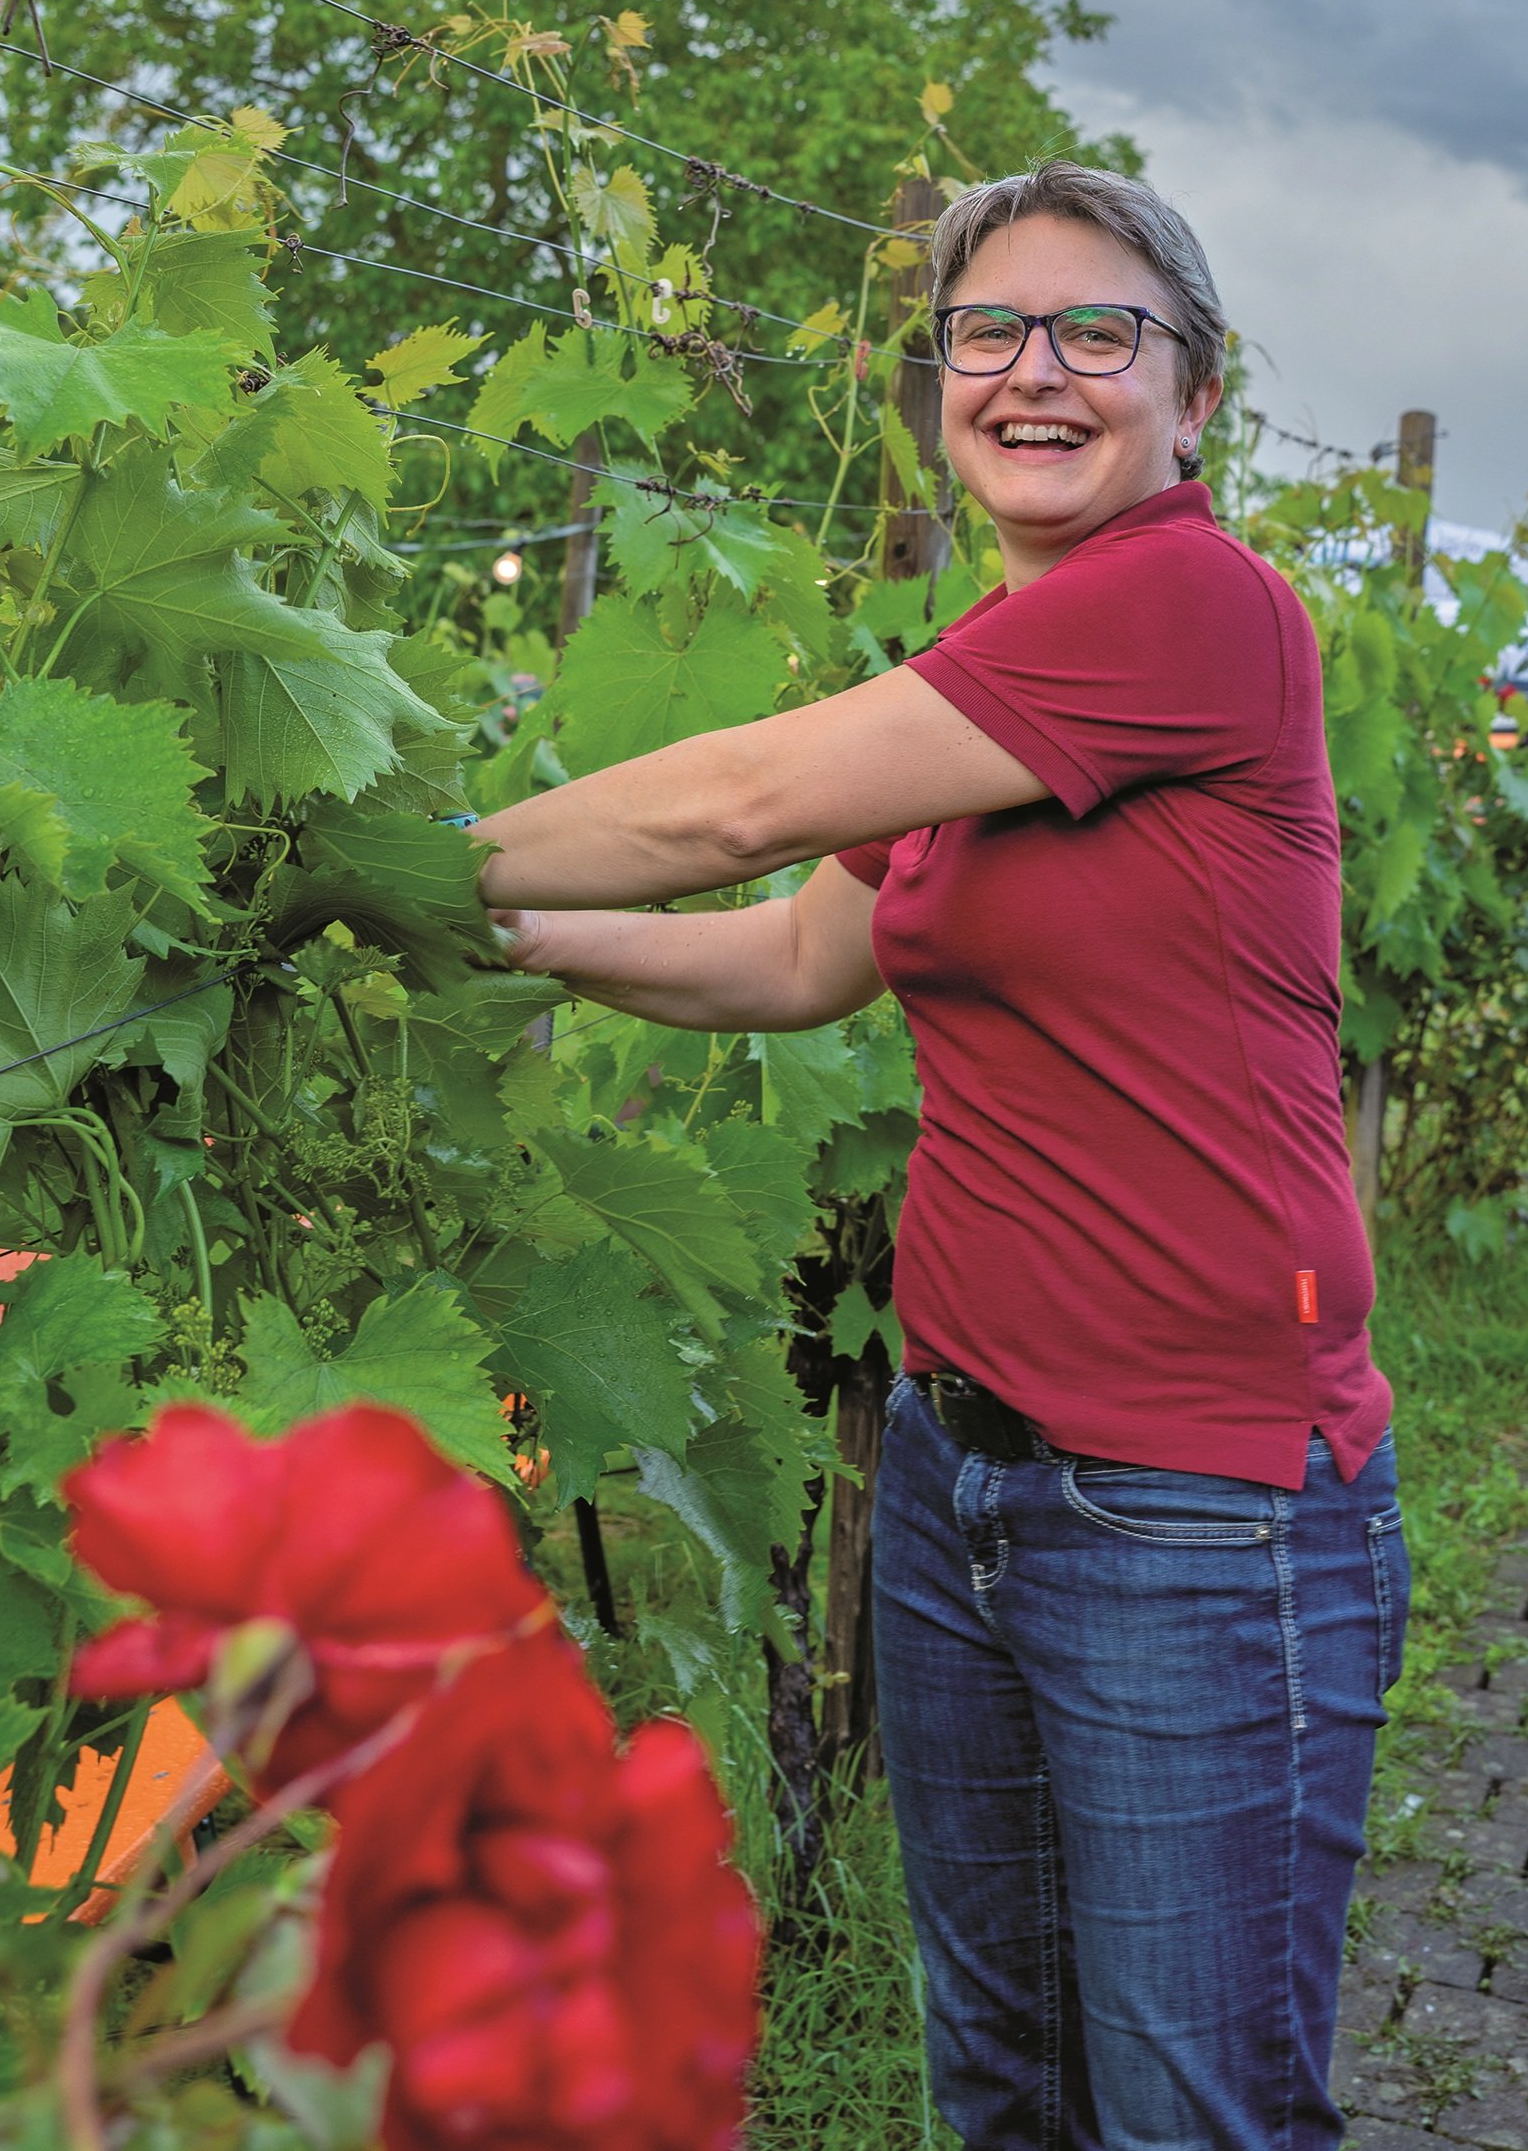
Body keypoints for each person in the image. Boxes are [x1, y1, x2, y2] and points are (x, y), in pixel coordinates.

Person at [474, 158, 1404, 2151]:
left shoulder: (1187, 608)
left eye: (1099, 334)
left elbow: (731, 807)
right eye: (989, 332)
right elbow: (798, 959)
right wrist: (489, 937)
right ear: (938, 379)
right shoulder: (981, 673)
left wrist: (400, 855)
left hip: (1192, 1509)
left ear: (1197, 398)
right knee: (1003, 2090)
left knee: (1186, 2113)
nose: (1034, 372)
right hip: (962, 1469)